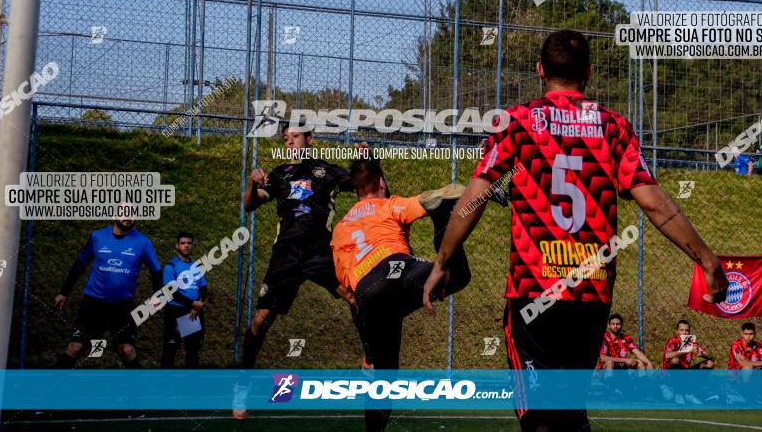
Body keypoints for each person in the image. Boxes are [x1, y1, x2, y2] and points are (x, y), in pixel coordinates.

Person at [423, 29, 728, 432]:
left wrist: (442, 261)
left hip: (535, 289)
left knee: (541, 420)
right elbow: (655, 204)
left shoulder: (516, 122)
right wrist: (707, 259)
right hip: (591, 290)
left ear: (539, 71)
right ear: (589, 71)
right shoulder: (613, 126)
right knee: (569, 411)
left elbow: (473, 201)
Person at [332, 155, 480, 432]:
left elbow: (346, 290)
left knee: (384, 378)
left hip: (366, 293)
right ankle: (444, 224)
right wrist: (469, 192)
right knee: (458, 275)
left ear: (355, 191)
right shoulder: (388, 204)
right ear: (381, 182)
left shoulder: (340, 228)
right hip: (397, 270)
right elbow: (428, 199)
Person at [233, 125, 371, 418]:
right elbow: (250, 205)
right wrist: (250, 182)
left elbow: (364, 185)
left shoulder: (327, 170)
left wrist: (365, 160)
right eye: (286, 138)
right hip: (285, 253)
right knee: (261, 318)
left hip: (320, 250)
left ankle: (370, 362)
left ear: (309, 139)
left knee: (353, 297)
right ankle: (242, 383)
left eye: (296, 136)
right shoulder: (279, 174)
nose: (290, 141)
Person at [53, 215, 162, 369]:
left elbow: (156, 270)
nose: (128, 217)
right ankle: (51, 386)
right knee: (75, 347)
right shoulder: (97, 236)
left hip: (122, 306)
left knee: (127, 350)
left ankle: (141, 390)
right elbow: (79, 264)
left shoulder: (143, 242)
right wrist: (64, 292)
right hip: (92, 304)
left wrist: (159, 295)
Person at [160, 232, 208, 368]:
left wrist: (196, 307)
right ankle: (165, 382)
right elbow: (170, 291)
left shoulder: (196, 266)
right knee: (171, 348)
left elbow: (203, 288)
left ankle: (189, 384)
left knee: (192, 350)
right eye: (182, 243)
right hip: (176, 310)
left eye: (188, 243)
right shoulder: (171, 265)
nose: (186, 246)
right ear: (177, 246)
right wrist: (192, 303)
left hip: (192, 312)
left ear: (192, 245)